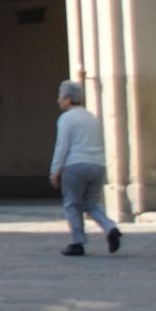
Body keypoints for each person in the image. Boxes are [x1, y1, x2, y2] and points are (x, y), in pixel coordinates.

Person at [48, 80, 120, 257]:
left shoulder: (66, 118)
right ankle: (110, 228)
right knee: (91, 203)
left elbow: (62, 146)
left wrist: (55, 170)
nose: (58, 100)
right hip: (97, 164)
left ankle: (77, 242)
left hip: (75, 165)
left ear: (67, 99)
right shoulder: (92, 118)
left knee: (72, 203)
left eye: (60, 97)